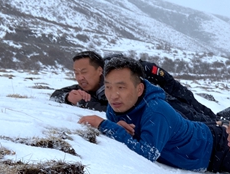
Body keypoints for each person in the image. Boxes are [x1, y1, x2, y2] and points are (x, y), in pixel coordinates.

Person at [78, 55, 230, 174]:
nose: (113, 95)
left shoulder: (156, 110)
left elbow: (147, 153)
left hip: (216, 148)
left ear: (139, 89)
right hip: (204, 142)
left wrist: (103, 124)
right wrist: (116, 126)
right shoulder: (116, 106)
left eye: (121, 87)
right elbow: (128, 131)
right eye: (108, 87)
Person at [51, 50, 217, 123]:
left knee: (196, 114)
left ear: (99, 71)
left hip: (166, 99)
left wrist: (85, 102)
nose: (80, 77)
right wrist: (68, 98)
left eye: (84, 72)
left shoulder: (127, 73)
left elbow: (167, 82)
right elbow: (57, 94)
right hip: (163, 109)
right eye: (76, 73)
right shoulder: (88, 87)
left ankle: (218, 121)